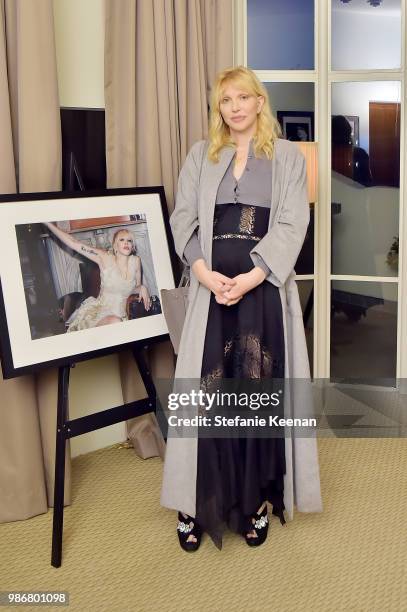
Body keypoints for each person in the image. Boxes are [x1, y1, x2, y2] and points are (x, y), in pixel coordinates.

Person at [161, 65, 322, 552]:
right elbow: (182, 219)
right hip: (211, 295)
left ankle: (254, 501)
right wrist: (207, 275)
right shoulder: (199, 156)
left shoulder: (289, 158)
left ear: (258, 102)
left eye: (241, 98)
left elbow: (293, 223)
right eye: (224, 100)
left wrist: (252, 277)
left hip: (264, 293)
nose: (233, 107)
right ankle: (195, 498)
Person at [43, 223, 151, 331]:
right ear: (115, 245)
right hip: (101, 313)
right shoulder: (104, 258)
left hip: (124, 314)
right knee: (116, 322)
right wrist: (48, 224)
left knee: (120, 323)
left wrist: (142, 287)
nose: (126, 243)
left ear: (133, 246)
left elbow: (135, 288)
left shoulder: (136, 261)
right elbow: (74, 242)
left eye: (129, 240)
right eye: (122, 240)